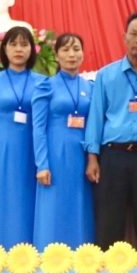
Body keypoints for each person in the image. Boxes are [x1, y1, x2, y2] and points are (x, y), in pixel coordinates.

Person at [84, 12, 137, 249]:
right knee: (109, 224)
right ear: (124, 37)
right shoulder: (106, 75)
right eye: (134, 34)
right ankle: (108, 271)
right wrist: (92, 158)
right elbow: (96, 118)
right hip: (112, 156)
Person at [0, 26, 42, 248]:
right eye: (13, 44)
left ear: (32, 49)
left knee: (28, 200)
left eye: (24, 44)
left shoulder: (42, 82)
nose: (18, 49)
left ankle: (29, 252)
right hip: (1, 150)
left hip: (32, 150)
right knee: (1, 200)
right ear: (4, 49)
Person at [32, 33, 94, 249]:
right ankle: (49, 255)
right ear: (56, 55)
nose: (71, 54)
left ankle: (82, 255)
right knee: (53, 206)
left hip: (82, 156)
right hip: (55, 156)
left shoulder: (90, 87)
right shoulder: (46, 86)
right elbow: (38, 128)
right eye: (65, 50)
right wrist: (42, 164)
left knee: (80, 205)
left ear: (83, 54)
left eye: (76, 49)